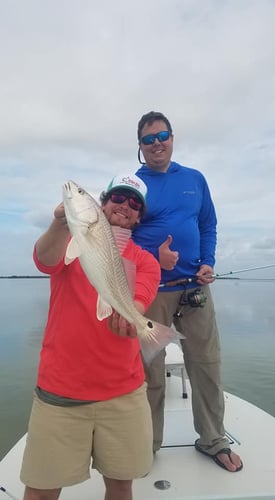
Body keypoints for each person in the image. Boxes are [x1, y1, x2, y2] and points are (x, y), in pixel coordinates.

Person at [20, 173, 161, 500]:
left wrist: (131, 317)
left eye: (134, 203)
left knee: (121, 486)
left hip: (123, 393)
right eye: (118, 198)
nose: (125, 206)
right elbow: (44, 260)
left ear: (139, 216)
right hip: (60, 391)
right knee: (40, 491)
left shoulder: (146, 262)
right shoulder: (69, 240)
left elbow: (139, 298)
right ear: (101, 202)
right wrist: (60, 223)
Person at [132, 111, 243, 473]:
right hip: (151, 292)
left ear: (172, 137)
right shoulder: (133, 184)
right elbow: (119, 235)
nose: (156, 143)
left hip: (196, 289)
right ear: (140, 146)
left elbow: (208, 224)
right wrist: (154, 260)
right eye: (148, 139)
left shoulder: (195, 179)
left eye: (162, 135)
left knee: (207, 367)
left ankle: (213, 439)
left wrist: (208, 261)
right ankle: (146, 444)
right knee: (150, 373)